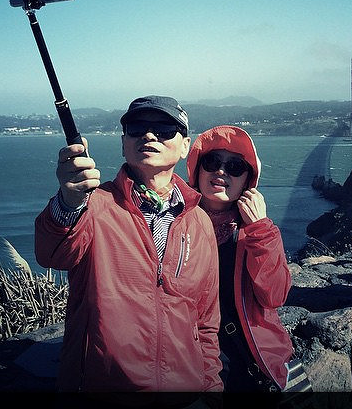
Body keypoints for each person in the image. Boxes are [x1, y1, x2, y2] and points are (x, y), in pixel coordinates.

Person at [34, 96, 223, 395]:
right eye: (137, 128)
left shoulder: (199, 220)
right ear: (124, 143)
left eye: (163, 129)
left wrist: (211, 389)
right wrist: (70, 200)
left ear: (185, 146)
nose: (149, 135)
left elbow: (206, 319)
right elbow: (52, 253)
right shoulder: (94, 205)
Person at [185, 125, 295, 393]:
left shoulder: (257, 232)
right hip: (193, 361)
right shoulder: (176, 227)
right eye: (211, 162)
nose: (221, 171)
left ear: (248, 181)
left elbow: (275, 296)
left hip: (249, 363)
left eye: (235, 166)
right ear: (197, 170)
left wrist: (260, 228)